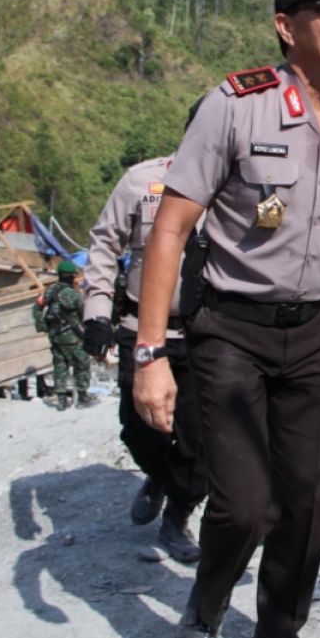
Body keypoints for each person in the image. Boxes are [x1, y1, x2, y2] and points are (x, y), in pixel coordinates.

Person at [132, 0, 320, 638]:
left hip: (317, 333)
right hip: (230, 331)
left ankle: (278, 631)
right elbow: (170, 230)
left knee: (304, 506)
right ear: (287, 27)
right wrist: (149, 354)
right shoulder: (234, 106)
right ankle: (205, 605)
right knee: (244, 506)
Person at [80, 153, 208, 563]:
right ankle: (158, 473)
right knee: (140, 430)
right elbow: (104, 241)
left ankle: (177, 516)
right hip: (143, 329)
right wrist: (97, 312)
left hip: (207, 332)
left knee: (200, 443)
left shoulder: (238, 183)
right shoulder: (142, 180)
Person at [32, 260, 93, 412]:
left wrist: (42, 325)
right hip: (72, 338)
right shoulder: (73, 295)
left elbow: (37, 307)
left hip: (55, 337)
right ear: (72, 277)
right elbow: (83, 313)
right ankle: (83, 397)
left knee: (60, 366)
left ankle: (61, 401)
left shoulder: (49, 291)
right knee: (82, 364)